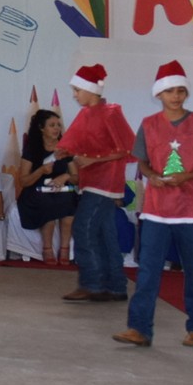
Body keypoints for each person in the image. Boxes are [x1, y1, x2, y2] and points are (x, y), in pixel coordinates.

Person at [114, 61, 193, 348]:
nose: (176, 96)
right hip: (157, 209)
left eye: (180, 91)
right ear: (159, 95)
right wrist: (153, 176)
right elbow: (143, 162)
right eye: (169, 91)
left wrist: (186, 176)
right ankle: (139, 328)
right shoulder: (149, 125)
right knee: (148, 269)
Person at [56, 63, 134, 302]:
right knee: (104, 233)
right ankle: (115, 285)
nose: (75, 95)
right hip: (93, 180)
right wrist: (64, 152)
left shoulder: (111, 112)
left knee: (83, 228)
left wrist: (92, 159)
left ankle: (93, 282)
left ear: (91, 90)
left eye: (78, 89)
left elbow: (126, 148)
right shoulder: (86, 115)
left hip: (105, 181)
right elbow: (75, 142)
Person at [17, 110, 76, 264]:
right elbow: (23, 181)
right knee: (48, 203)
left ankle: (64, 249)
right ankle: (47, 248)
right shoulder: (32, 149)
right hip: (37, 189)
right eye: (52, 125)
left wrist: (66, 176)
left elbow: (77, 177)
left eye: (58, 125)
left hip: (62, 188)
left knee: (71, 201)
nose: (57, 128)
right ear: (41, 128)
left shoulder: (65, 148)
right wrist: (41, 171)